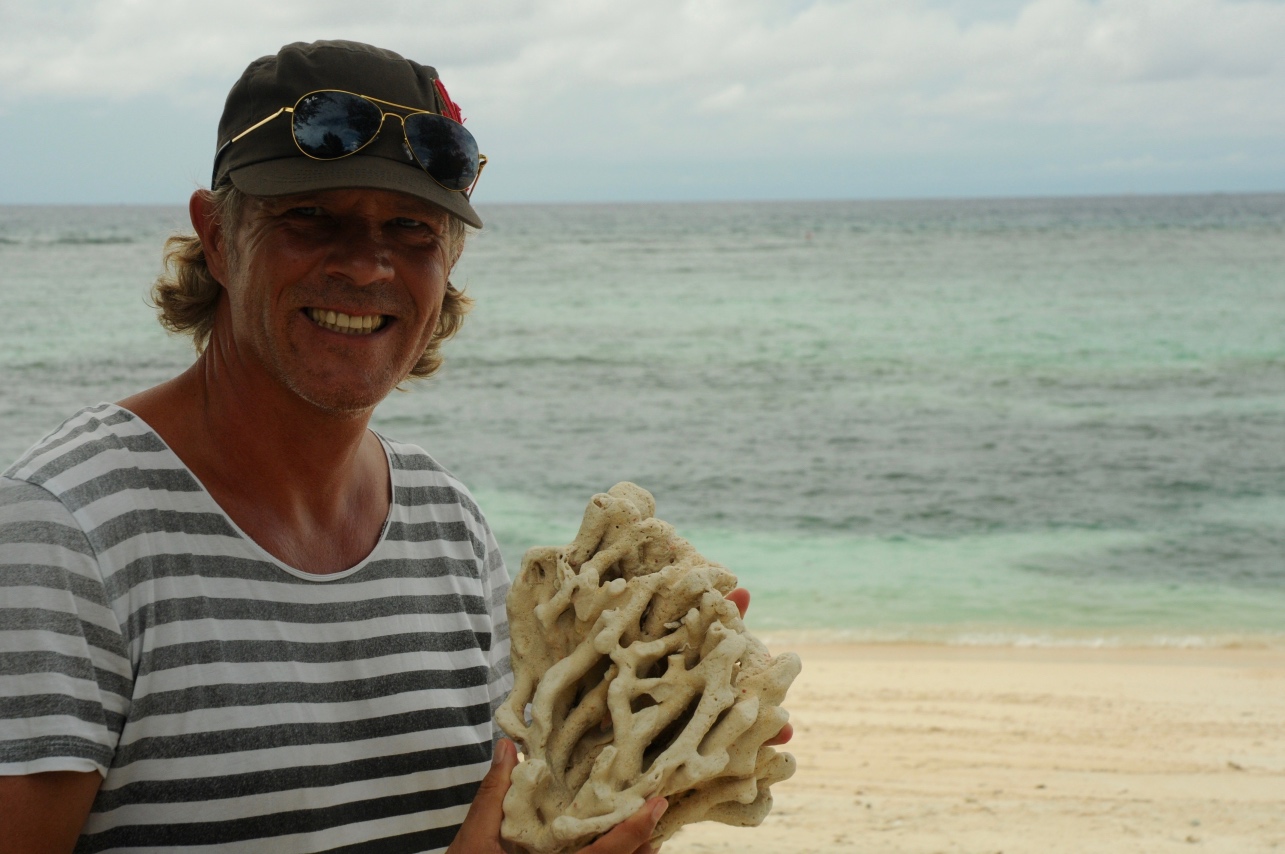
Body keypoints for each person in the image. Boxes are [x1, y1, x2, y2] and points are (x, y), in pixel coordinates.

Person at [0, 40, 683, 854]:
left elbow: (498, 817)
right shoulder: (63, 532)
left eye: (411, 228)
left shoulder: (447, 524)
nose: (366, 267)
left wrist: (631, 734)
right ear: (216, 237)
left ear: (448, 261)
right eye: (311, 217)